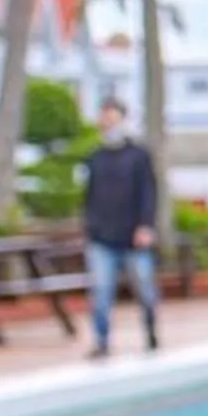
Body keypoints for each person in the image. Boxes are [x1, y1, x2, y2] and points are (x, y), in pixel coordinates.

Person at [80, 98, 161, 357]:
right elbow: (89, 196)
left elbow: (148, 193)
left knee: (145, 288)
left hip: (133, 237)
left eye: (113, 117)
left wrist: (145, 226)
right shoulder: (95, 158)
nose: (108, 123)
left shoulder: (138, 156)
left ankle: (150, 332)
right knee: (101, 291)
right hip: (102, 237)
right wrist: (90, 228)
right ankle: (102, 342)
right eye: (105, 118)